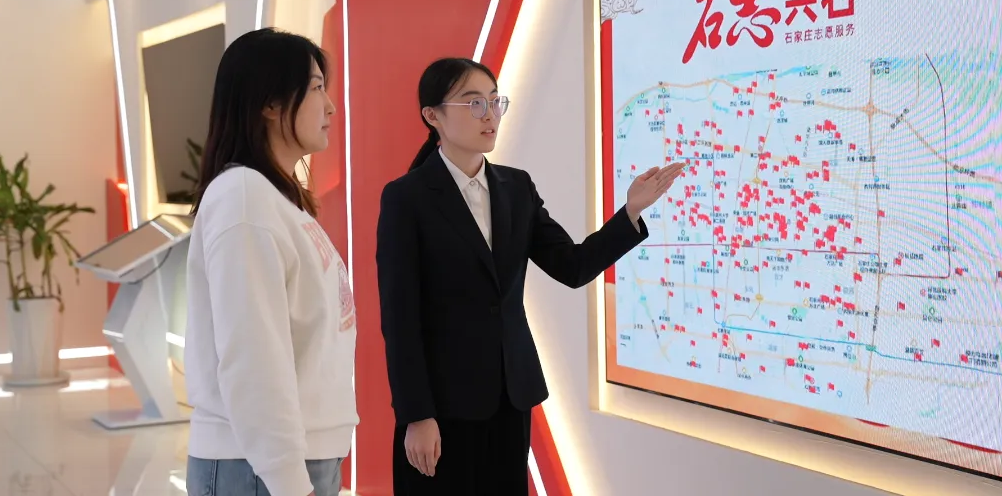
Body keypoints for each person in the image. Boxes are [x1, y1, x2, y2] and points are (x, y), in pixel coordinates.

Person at [376, 57, 685, 495]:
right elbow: (399, 319)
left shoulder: (516, 187)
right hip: (442, 407)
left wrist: (630, 213)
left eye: (495, 101)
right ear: (432, 115)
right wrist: (416, 414)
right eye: (474, 103)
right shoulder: (406, 198)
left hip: (511, 396)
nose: (489, 114)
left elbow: (572, 266)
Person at [184, 29, 358, 496]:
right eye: (316, 87)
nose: (330, 106)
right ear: (270, 103)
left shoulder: (275, 199)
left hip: (290, 459)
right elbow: (253, 357)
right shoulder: (243, 199)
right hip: (258, 468)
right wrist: (287, 479)